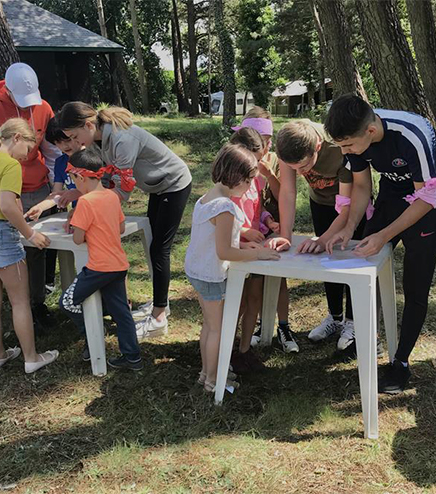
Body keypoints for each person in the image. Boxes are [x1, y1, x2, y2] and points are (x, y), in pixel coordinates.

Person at [324, 94, 436, 394]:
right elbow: (361, 185)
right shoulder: (355, 136)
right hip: (390, 197)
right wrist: (349, 229)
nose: (344, 152)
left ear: (370, 132)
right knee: (362, 267)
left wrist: (384, 235)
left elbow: (427, 196)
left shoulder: (412, 135)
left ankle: (400, 363)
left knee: (415, 285)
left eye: (347, 146)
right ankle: (364, 338)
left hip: (426, 205)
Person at [58, 102, 192, 339]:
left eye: (75, 136)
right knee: (155, 248)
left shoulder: (122, 140)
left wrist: (88, 214)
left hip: (174, 183)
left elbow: (119, 193)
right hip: (157, 187)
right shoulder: (98, 140)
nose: (76, 144)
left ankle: (159, 317)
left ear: (89, 125)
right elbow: (102, 182)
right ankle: (161, 304)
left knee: (160, 249)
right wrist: (80, 200)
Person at [185, 143, 280, 392]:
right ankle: (214, 381)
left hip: (198, 270)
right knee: (218, 328)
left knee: (209, 326)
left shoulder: (207, 197)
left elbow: (220, 239)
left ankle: (206, 373)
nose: (250, 188)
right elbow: (224, 251)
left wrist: (244, 247)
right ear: (236, 177)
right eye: (249, 182)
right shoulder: (226, 207)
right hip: (211, 274)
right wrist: (258, 254)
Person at [273, 119, 368, 354]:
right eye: (293, 168)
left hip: (352, 206)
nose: (301, 172)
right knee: (326, 258)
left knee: (350, 261)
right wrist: (286, 236)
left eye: (303, 166)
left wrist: (325, 237)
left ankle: (354, 323)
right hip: (321, 204)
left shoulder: (338, 146)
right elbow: (288, 191)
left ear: (317, 147)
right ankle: (335, 317)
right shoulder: (287, 144)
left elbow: (350, 203)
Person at [59, 147, 142, 370]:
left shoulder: (85, 202)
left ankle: (92, 335)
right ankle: (132, 357)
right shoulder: (111, 196)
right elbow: (121, 226)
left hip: (98, 268)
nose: (74, 184)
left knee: (67, 303)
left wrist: (78, 221)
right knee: (121, 311)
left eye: (73, 179)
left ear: (80, 177)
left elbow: (78, 239)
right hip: (118, 265)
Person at [228, 128, 298, 375]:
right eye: (254, 161)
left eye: (259, 161)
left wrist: (267, 222)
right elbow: (226, 216)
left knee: (254, 300)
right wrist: (245, 231)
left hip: (258, 247)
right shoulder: (230, 181)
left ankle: (245, 350)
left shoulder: (256, 177)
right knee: (237, 302)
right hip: (238, 252)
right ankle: (227, 348)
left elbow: (258, 207)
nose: (256, 166)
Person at [0, 63, 61, 331]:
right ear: (8, 90)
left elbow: (50, 150)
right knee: (11, 248)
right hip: (7, 188)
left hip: (37, 187)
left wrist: (54, 186)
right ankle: (16, 304)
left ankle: (36, 303)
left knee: (37, 249)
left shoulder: (44, 107)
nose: (27, 106)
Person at [0, 118, 58, 373]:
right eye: (27, 149)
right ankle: (32, 357)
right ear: (17, 138)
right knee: (20, 301)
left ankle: (1, 354)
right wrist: (30, 233)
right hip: (4, 236)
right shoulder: (10, 164)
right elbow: (6, 205)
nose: (27, 157)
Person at [24, 116, 82, 222]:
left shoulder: (90, 157)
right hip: (77, 215)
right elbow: (56, 194)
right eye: (58, 142)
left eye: (67, 140)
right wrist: (40, 207)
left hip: (94, 211)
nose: (64, 145)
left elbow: (100, 190)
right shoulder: (60, 163)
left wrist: (78, 193)